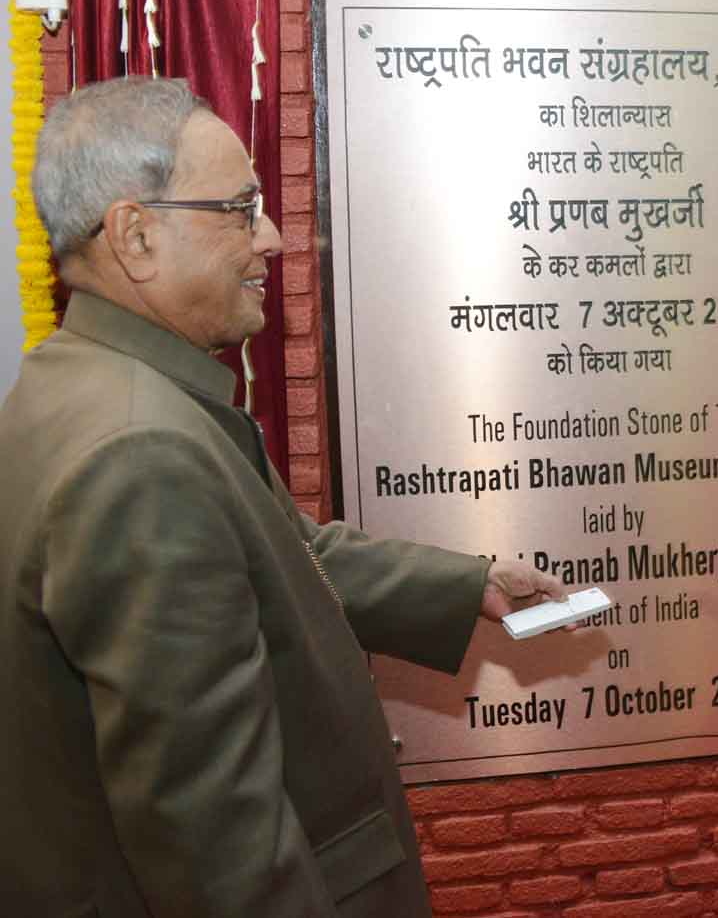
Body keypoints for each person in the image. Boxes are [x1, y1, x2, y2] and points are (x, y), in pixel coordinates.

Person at [0, 77, 579, 917]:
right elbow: (215, 844)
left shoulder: (82, 386)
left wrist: (465, 584)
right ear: (135, 236)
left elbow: (280, 551)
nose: (269, 237)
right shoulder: (141, 454)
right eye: (238, 208)